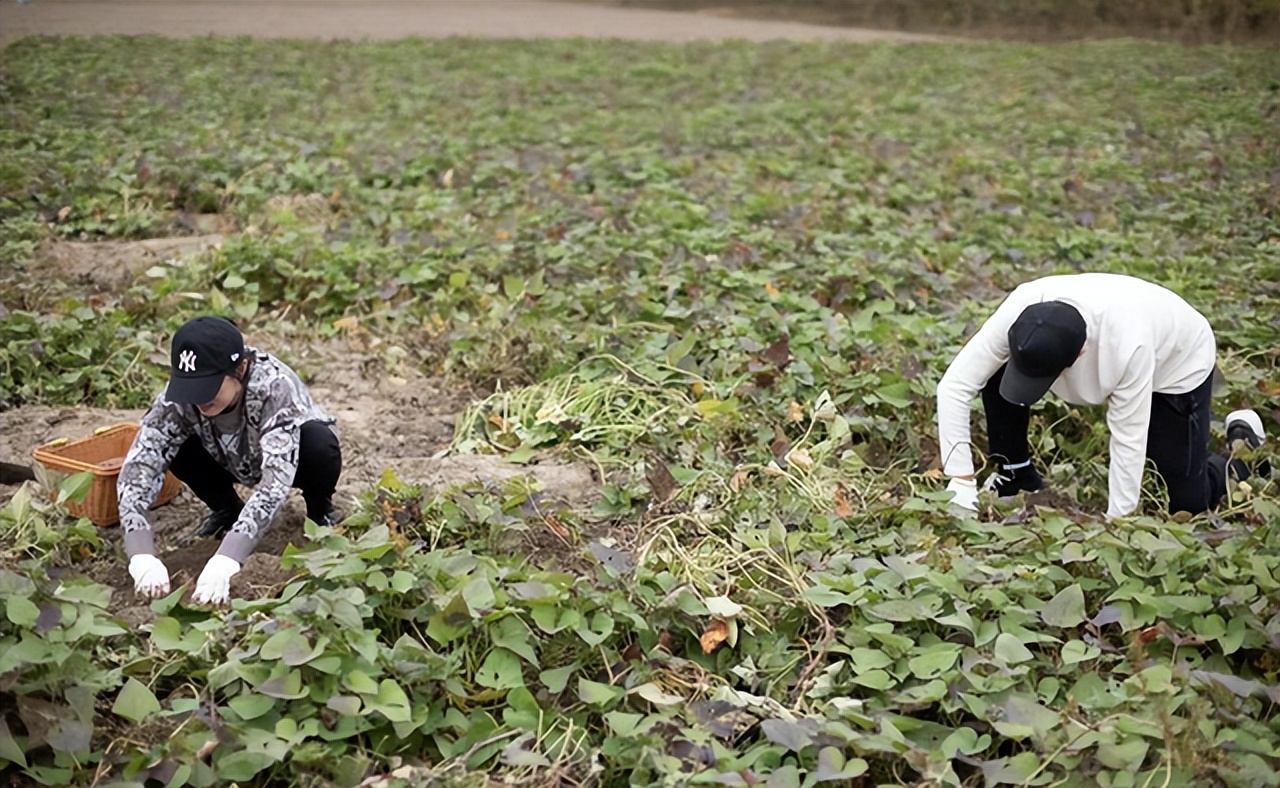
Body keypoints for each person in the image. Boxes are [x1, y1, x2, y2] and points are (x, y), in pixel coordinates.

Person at [936, 273, 1267, 519]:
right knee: (996, 369)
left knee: (1187, 502)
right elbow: (954, 386)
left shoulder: (1127, 347)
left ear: (1079, 355)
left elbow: (1128, 439)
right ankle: (1016, 474)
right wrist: (961, 482)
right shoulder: (1023, 308)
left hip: (1179, 361)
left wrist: (1116, 522)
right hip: (1117, 326)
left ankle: (1241, 451)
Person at [120, 316, 342, 604]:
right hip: (223, 455)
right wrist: (140, 552)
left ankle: (320, 510)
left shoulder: (274, 386)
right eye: (191, 386)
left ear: (240, 368)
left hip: (283, 458)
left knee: (318, 444)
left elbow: (275, 482)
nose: (198, 398)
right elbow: (142, 460)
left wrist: (228, 557)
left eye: (209, 386)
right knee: (174, 444)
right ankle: (226, 509)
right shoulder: (181, 397)